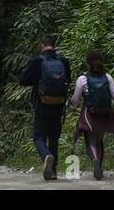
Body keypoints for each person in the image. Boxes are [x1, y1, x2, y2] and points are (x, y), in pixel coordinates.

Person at [71, 50, 114, 180]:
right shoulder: (108, 78)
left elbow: (75, 99)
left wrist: (73, 107)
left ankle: (95, 160)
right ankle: (99, 164)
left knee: (90, 141)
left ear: (87, 63)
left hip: (90, 113)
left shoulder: (83, 79)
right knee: (99, 140)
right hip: (105, 113)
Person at [19, 35, 71, 180]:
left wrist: (36, 80)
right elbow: (68, 80)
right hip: (59, 104)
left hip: (42, 103)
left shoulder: (37, 61)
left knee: (38, 136)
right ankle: (53, 172)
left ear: (42, 46)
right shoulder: (63, 61)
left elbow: (22, 80)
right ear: (54, 46)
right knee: (54, 137)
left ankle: (46, 155)